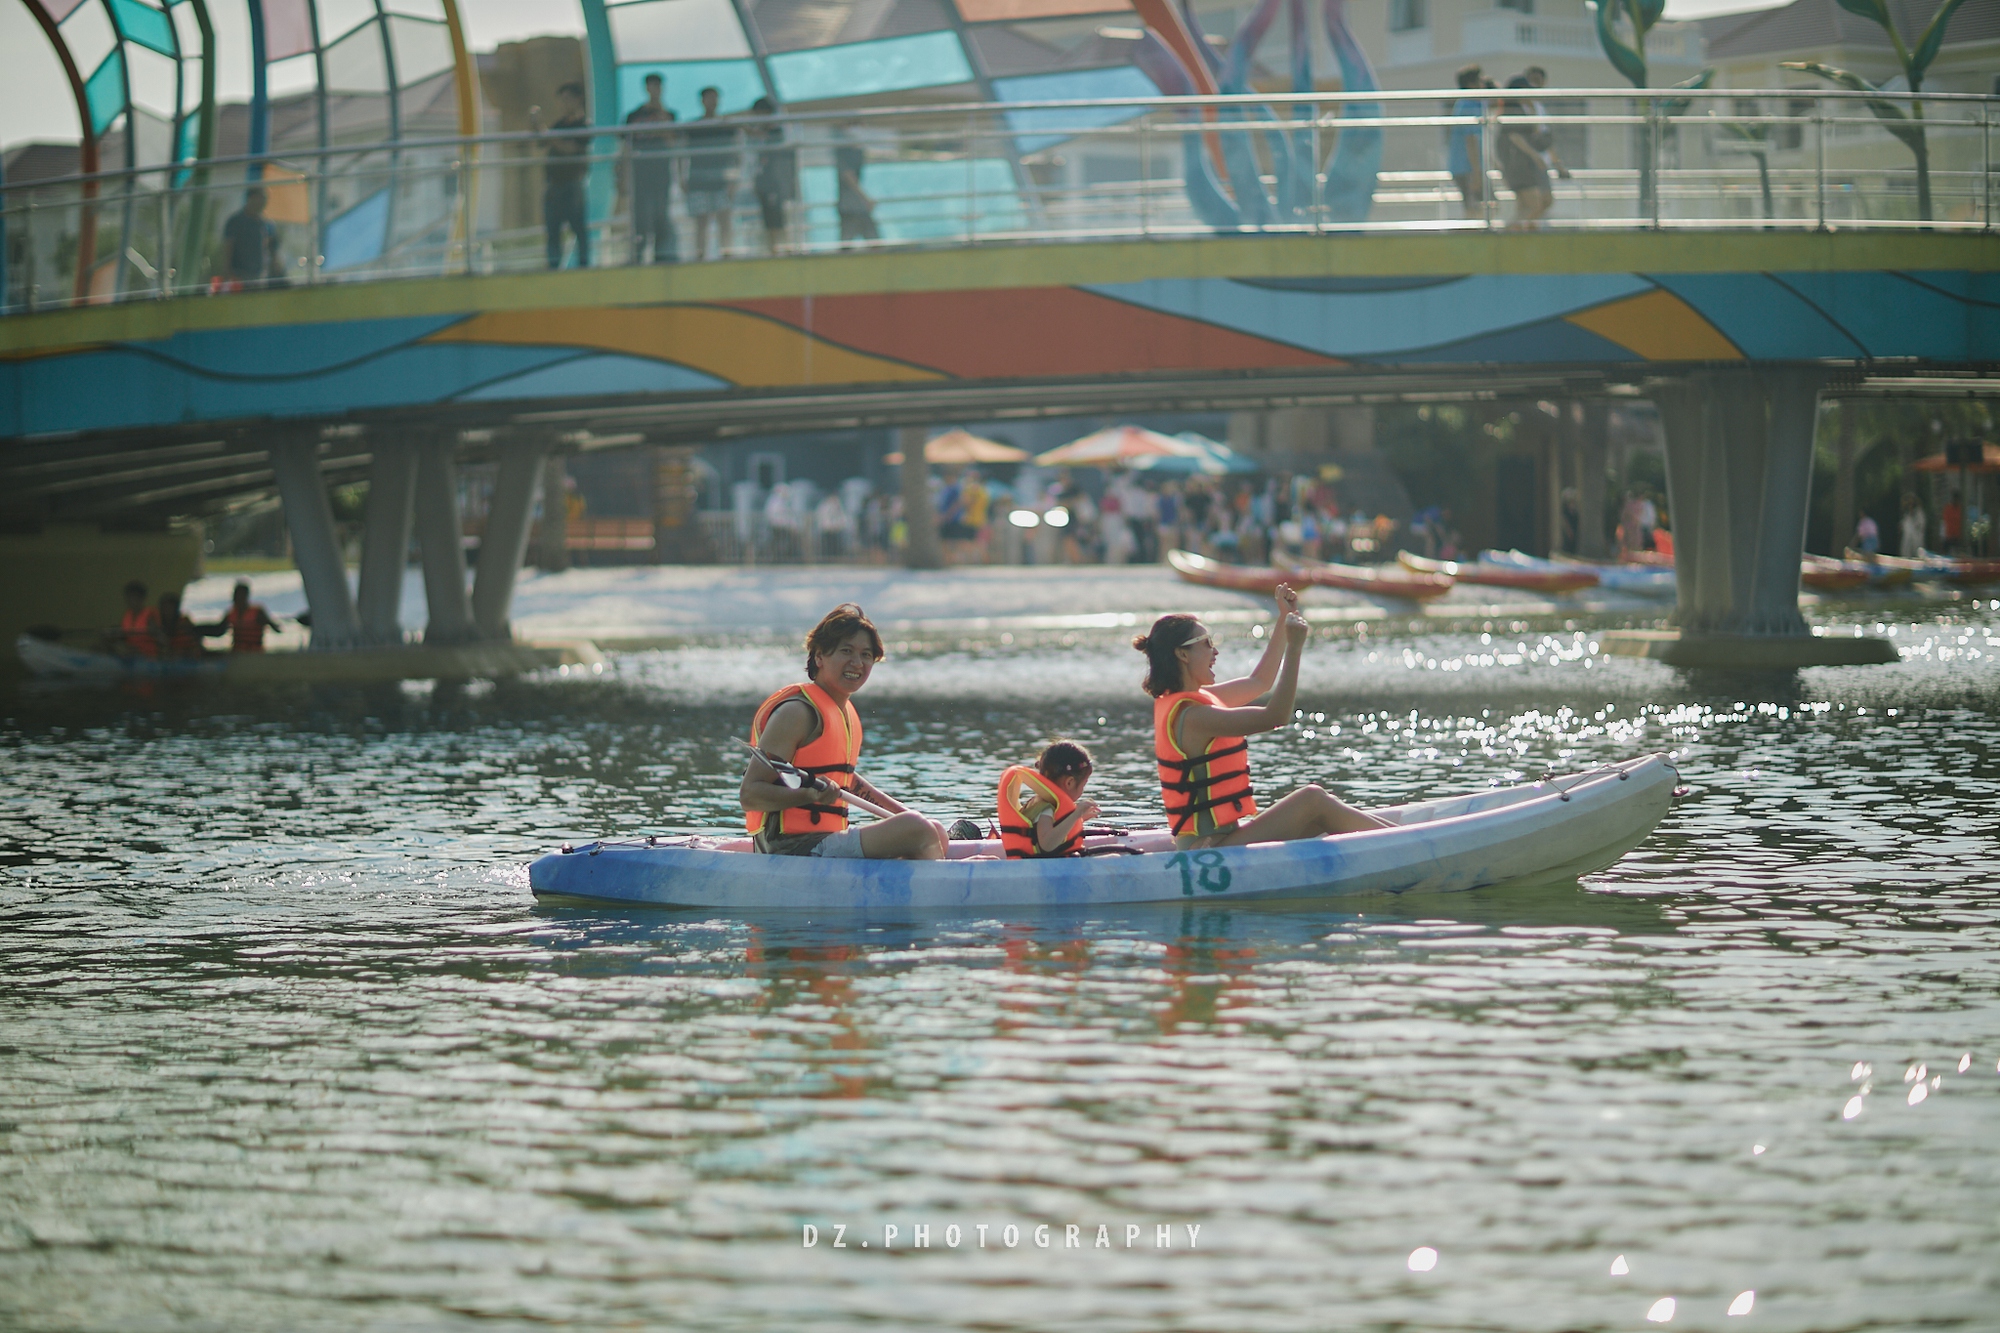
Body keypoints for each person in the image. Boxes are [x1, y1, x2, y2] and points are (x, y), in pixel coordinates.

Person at [1134, 586, 1387, 849]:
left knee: (1317, 819)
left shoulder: (1195, 701)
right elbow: (1276, 716)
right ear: (1182, 654)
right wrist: (1295, 649)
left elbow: (1260, 681)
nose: (1215, 652)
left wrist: (1283, 620)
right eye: (1207, 643)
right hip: (1210, 849)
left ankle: (1405, 838)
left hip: (1222, 840)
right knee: (1312, 800)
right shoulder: (1194, 716)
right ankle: (1408, 841)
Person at [740, 603, 946, 860]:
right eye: (846, 651)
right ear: (819, 657)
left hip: (825, 840)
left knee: (932, 829)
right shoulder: (797, 713)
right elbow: (750, 794)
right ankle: (944, 890)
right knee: (917, 829)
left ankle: (927, 880)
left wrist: (903, 813)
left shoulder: (843, 710)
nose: (857, 663)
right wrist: (807, 794)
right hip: (790, 848)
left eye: (866, 655)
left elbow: (846, 780)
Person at [996, 741, 1100, 859]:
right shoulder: (1045, 809)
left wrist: (1079, 819)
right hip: (1038, 870)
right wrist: (1076, 814)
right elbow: (1047, 844)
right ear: (1069, 783)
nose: (1083, 790)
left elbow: (1054, 829)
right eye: (1083, 785)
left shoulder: (1041, 802)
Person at [534, 83, 592, 268]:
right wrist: (536, 125)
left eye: (568, 99)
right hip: (554, 184)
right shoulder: (559, 124)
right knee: (553, 230)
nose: (564, 103)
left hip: (572, 184)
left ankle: (583, 264)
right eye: (562, 99)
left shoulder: (583, 125)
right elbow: (542, 142)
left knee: (578, 228)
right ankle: (553, 266)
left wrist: (549, 136)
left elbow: (572, 149)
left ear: (578, 99)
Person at [625, 73, 678, 265]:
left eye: (658, 86)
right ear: (646, 88)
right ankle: (638, 255)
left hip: (661, 173)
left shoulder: (670, 115)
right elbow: (626, 148)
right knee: (640, 216)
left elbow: (672, 141)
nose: (654, 90)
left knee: (661, 214)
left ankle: (662, 256)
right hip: (640, 174)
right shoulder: (633, 116)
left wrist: (661, 113)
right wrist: (622, 175)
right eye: (651, 86)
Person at [683, 86, 737, 260]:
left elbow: (735, 155)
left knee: (724, 218)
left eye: (714, 98)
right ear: (702, 101)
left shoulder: (726, 126)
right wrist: (681, 177)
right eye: (708, 98)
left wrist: (734, 179)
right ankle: (700, 254)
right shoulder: (693, 127)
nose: (712, 102)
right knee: (701, 221)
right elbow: (682, 154)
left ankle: (726, 251)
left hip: (722, 179)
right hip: (698, 179)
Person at [1498, 76, 1553, 229]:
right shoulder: (1511, 110)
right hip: (1518, 164)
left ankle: (1517, 233)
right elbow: (1515, 136)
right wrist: (1535, 156)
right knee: (1535, 204)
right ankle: (1509, 234)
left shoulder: (1524, 109)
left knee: (1524, 208)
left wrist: (1533, 110)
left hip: (1523, 163)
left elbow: (1534, 132)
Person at [749, 97, 795, 255]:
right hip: (763, 181)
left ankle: (783, 246)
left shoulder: (777, 131)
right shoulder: (762, 135)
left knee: (777, 214)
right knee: (769, 215)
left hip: (775, 181)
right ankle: (773, 247)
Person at [1446, 65, 1486, 219]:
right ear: (1471, 84)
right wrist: (1476, 172)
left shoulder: (1474, 104)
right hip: (1466, 167)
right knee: (1475, 208)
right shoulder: (1468, 106)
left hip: (1467, 166)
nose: (1483, 85)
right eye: (1480, 81)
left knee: (1479, 207)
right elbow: (1471, 140)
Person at [219, 188, 280, 289]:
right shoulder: (235, 221)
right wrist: (227, 269)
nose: (263, 202)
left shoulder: (266, 223)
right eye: (260, 198)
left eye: (265, 199)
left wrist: (275, 265)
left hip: (259, 275)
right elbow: (228, 245)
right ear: (251, 198)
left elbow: (272, 246)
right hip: (239, 274)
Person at [1522, 67, 1573, 185]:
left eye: (1538, 81)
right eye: (1531, 81)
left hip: (1541, 162)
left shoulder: (1539, 108)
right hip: (1529, 162)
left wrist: (1558, 165)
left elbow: (1544, 140)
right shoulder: (1523, 107)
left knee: (1543, 200)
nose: (1534, 85)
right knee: (1536, 200)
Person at [212, 579, 279, 652]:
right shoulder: (231, 614)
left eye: (239, 596)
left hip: (255, 653)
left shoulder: (257, 612)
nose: (235, 598)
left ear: (246, 597)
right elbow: (219, 630)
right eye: (235, 595)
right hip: (237, 653)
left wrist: (268, 622)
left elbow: (276, 628)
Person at [835, 138, 878, 245]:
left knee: (847, 244)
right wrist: (865, 199)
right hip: (853, 207)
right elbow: (848, 175)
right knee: (875, 243)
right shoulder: (844, 150)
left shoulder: (844, 149)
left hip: (849, 206)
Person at [110, 580, 159, 658]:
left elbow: (158, 636)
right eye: (129, 597)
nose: (131, 600)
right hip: (129, 654)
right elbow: (123, 635)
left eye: (134, 597)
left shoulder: (149, 614)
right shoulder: (127, 614)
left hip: (146, 656)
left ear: (142, 598)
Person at [157, 591, 204, 660]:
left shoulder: (185, 622)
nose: (167, 611)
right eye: (165, 608)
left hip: (189, 656)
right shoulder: (159, 624)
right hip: (169, 657)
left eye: (170, 607)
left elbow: (196, 640)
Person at [1901, 493, 1927, 557]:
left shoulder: (1919, 513)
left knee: (1918, 554)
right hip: (1907, 541)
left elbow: (1921, 524)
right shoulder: (1907, 514)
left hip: (1917, 538)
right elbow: (1905, 525)